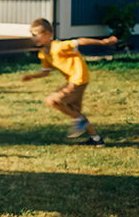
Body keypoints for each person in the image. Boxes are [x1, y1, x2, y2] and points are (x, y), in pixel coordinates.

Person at [20, 18, 117, 147]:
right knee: (73, 110)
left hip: (79, 78)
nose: (33, 38)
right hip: (73, 80)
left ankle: (79, 121)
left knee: (52, 100)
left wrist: (103, 42)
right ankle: (96, 139)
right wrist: (32, 76)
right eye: (32, 35)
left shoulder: (59, 47)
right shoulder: (43, 53)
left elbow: (80, 41)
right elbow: (46, 72)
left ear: (47, 34)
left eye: (36, 35)